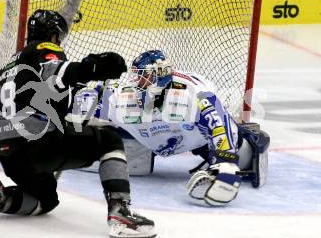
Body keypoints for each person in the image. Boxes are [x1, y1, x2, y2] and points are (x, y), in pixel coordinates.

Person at [0, 10, 156, 238]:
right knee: (110, 140)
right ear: (53, 35)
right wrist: (92, 68)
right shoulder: (45, 49)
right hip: (35, 141)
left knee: (45, 200)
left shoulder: (8, 66)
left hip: (7, 152)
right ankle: (120, 214)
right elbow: (55, 72)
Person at [72, 50, 270, 206]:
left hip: (197, 138)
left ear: (159, 76)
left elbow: (218, 123)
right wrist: (71, 97)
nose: (137, 82)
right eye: (137, 77)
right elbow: (92, 99)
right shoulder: (127, 98)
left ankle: (243, 142)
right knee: (110, 150)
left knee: (243, 155)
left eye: (143, 77)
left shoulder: (195, 95)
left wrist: (226, 162)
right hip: (151, 140)